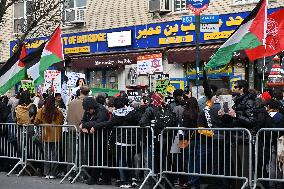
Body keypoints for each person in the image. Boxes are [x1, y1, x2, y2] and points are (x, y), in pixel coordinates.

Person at [91, 97, 141, 188]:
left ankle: (124, 181)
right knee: (130, 161)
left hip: (121, 140)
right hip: (133, 140)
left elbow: (108, 124)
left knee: (121, 161)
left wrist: (96, 126)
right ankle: (132, 179)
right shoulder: (132, 112)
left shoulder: (117, 114)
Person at [80, 96, 110, 185]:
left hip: (102, 137)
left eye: (89, 110)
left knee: (101, 158)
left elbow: (99, 122)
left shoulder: (102, 110)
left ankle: (101, 178)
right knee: (95, 158)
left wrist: (85, 125)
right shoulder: (89, 110)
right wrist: (83, 125)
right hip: (93, 137)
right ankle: (96, 177)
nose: (88, 111)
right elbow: (83, 120)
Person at [34, 96, 64, 179]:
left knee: (46, 155)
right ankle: (53, 173)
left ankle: (47, 173)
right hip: (56, 135)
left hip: (46, 135)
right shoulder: (58, 111)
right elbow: (61, 121)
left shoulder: (42, 110)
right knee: (55, 155)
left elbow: (36, 121)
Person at [66, 86, 90, 176]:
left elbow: (67, 118)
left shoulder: (71, 102)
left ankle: (70, 172)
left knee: (71, 152)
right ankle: (82, 173)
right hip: (83, 130)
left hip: (72, 129)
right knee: (83, 152)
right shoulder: (88, 102)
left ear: (80, 91)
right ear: (88, 92)